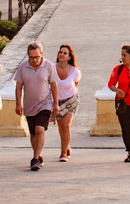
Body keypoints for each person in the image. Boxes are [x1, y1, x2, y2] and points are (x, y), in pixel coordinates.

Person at [15, 42, 59, 171]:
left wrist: (55, 104)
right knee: (33, 133)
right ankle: (38, 155)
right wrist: (18, 103)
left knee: (40, 129)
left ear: (42, 54)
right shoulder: (22, 67)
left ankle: (34, 159)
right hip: (29, 105)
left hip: (45, 103)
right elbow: (18, 86)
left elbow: (54, 85)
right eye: (31, 58)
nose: (34, 60)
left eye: (37, 57)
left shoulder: (49, 66)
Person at [55, 44, 81, 162]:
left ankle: (63, 153)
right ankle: (67, 146)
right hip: (57, 101)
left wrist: (68, 95)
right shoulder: (52, 68)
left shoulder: (75, 71)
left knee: (66, 125)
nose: (62, 54)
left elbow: (75, 85)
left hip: (70, 101)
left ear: (69, 57)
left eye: (65, 53)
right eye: (60, 52)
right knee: (61, 128)